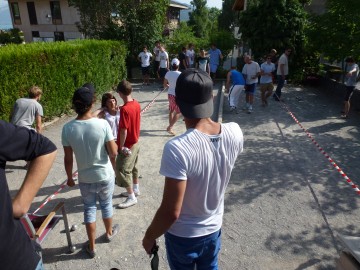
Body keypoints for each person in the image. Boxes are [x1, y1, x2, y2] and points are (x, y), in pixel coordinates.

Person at [142, 69, 244, 270]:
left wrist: (149, 236)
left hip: (183, 236)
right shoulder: (235, 132)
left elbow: (172, 212)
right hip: (214, 228)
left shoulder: (177, 148)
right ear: (212, 98)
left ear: (177, 103)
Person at [62, 85, 119, 258]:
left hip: (85, 177)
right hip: (104, 174)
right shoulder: (102, 124)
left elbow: (68, 157)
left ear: (74, 105)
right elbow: (114, 152)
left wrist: (69, 177)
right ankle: (109, 233)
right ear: (93, 103)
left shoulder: (67, 128)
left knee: (89, 208)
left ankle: (92, 246)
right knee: (106, 204)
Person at [0, 120, 57, 270]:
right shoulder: (36, 106)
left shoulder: (19, 102)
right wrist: (21, 204)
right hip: (15, 258)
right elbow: (39, 125)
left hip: (13, 258)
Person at [115, 80, 141, 209]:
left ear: (120, 93)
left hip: (128, 144)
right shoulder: (136, 103)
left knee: (122, 169)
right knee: (134, 167)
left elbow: (124, 130)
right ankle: (135, 189)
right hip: (136, 142)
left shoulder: (125, 110)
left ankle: (131, 197)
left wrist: (121, 147)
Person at [92, 92, 121, 170]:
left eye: (113, 101)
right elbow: (92, 116)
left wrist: (123, 106)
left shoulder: (119, 111)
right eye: (109, 101)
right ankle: (115, 174)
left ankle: (120, 173)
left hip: (120, 138)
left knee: (121, 158)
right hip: (110, 139)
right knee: (113, 158)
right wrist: (101, 109)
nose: (112, 103)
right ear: (105, 103)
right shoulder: (104, 114)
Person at [164, 58, 182, 135]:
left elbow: (165, 85)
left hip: (170, 94)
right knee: (178, 112)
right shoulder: (180, 74)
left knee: (171, 110)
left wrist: (170, 86)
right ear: (178, 65)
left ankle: (170, 128)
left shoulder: (168, 73)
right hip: (177, 95)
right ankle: (170, 127)